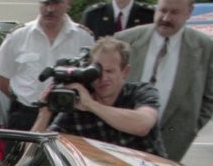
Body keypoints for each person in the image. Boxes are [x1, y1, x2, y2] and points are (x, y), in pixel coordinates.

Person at [114, 0, 213, 162]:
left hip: (170, 146)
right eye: (162, 10)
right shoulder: (126, 40)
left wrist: (189, 130)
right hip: (119, 140)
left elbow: (210, 98)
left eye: (174, 12)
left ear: (189, 12)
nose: (165, 17)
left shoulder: (204, 47)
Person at [0, 0, 95, 131]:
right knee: (20, 149)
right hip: (26, 115)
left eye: (56, 2)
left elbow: (92, 79)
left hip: (68, 116)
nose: (50, 9)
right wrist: (22, 100)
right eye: (45, 2)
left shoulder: (84, 37)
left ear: (69, 2)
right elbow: (2, 81)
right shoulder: (18, 36)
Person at [30, 36, 166, 157]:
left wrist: (92, 105)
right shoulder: (78, 107)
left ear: (125, 71)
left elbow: (142, 125)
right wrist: (44, 114)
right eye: (96, 72)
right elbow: (32, 154)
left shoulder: (141, 91)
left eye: (109, 71)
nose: (103, 78)